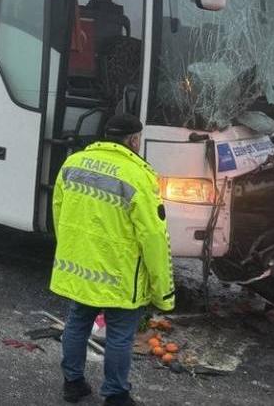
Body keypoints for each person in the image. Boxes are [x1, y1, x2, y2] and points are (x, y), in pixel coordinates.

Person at [51, 114, 174, 406]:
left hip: (80, 267)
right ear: (133, 140)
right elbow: (153, 237)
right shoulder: (138, 175)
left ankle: (73, 383)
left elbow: (59, 211)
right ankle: (116, 395)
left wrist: (70, 249)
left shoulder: (73, 163)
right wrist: (163, 291)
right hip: (119, 274)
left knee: (77, 324)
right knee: (120, 335)